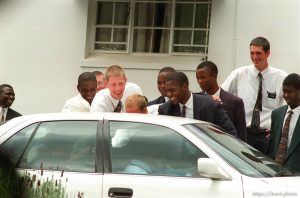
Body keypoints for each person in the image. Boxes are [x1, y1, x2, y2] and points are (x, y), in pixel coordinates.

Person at [221, 37, 287, 153]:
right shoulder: (239, 74)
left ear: (268, 53)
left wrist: (278, 130)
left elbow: (289, 107)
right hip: (243, 134)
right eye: (252, 53)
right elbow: (221, 96)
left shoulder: (281, 77)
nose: (255, 57)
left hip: (267, 136)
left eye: (258, 53)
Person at [158, 71, 237, 136]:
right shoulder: (165, 110)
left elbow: (230, 133)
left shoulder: (209, 104)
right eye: (167, 91)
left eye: (172, 90)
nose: (168, 95)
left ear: (184, 87)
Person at [196, 61, 247, 142]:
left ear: (214, 76)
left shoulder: (234, 102)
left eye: (203, 77)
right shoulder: (197, 100)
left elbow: (241, 135)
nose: (200, 81)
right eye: (197, 78)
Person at [268, 73, 300, 173]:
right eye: (284, 91)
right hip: (276, 172)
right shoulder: (276, 114)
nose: (286, 95)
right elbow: (272, 147)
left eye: (290, 92)